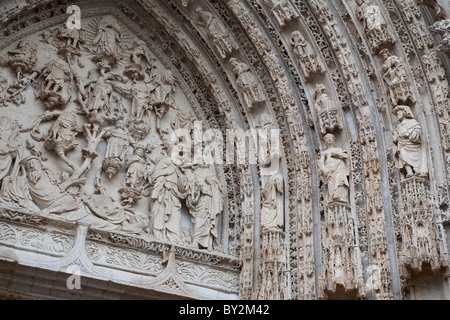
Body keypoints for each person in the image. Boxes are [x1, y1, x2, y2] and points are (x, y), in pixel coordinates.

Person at [392, 105, 428, 178]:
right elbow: (396, 138)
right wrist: (395, 137)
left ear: (404, 113)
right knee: (401, 153)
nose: (397, 116)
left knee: (413, 155)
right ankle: (409, 172)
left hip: (412, 145)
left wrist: (408, 134)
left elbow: (417, 130)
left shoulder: (412, 122)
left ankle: (419, 171)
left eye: (398, 113)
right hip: (403, 145)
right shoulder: (398, 126)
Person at [318, 133, 350, 204]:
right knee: (331, 183)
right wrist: (324, 170)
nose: (329, 139)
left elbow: (346, 156)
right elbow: (321, 162)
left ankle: (338, 195)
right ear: (325, 141)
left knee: (339, 179)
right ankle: (333, 195)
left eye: (330, 137)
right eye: (327, 138)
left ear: (334, 139)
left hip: (339, 167)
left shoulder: (338, 149)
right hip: (329, 170)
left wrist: (337, 154)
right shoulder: (325, 152)